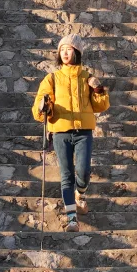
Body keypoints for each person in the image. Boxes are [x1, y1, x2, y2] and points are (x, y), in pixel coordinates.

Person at [32, 35, 109, 232]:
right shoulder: (52, 78)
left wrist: (99, 89)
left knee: (83, 172)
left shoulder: (87, 77)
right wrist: (44, 106)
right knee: (66, 175)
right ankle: (72, 218)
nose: (65, 53)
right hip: (60, 131)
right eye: (62, 49)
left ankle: (80, 194)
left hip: (84, 131)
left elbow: (101, 106)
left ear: (77, 52)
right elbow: (38, 110)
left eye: (69, 49)